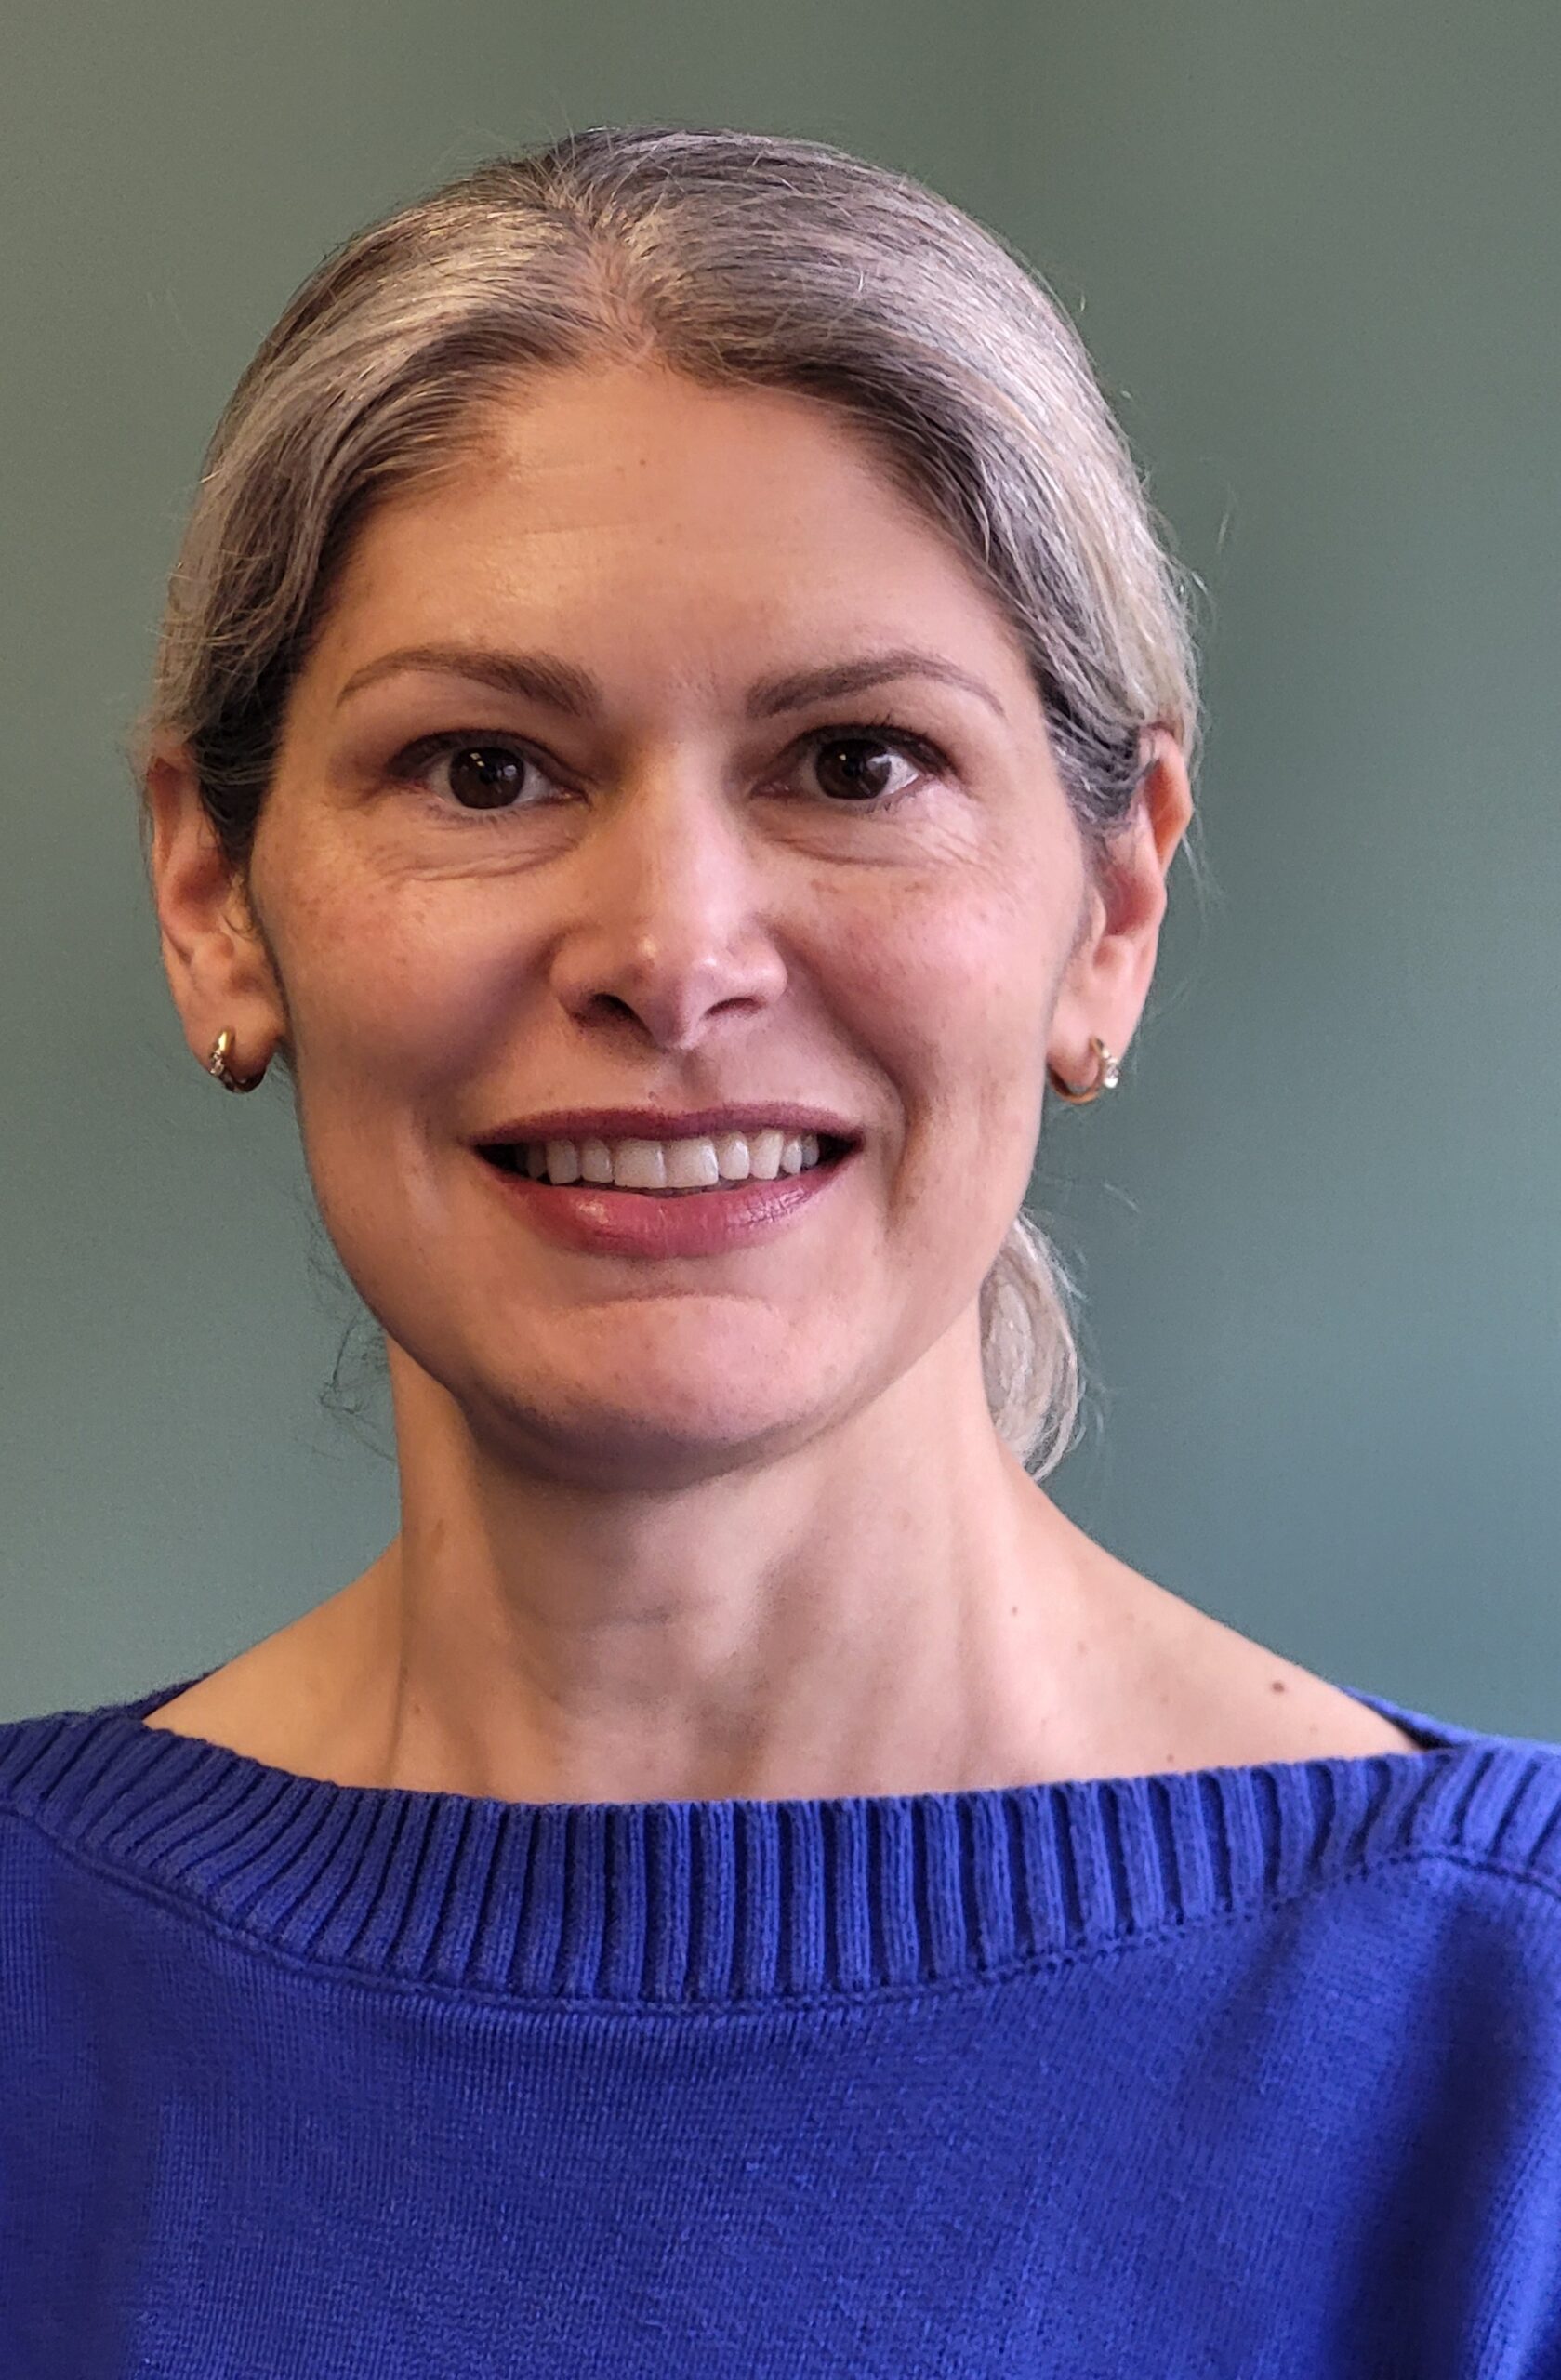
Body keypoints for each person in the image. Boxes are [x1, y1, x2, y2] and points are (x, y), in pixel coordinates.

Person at [5, 124, 1560, 2375]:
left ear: (1111, 906)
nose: (668, 951)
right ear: (212, 895)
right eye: (481, 768)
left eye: (852, 759)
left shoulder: (1505, 2064)